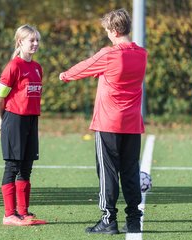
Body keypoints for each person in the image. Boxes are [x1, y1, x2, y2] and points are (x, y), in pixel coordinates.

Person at [59, 9, 147, 234]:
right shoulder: (142, 54)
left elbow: (85, 67)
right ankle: (134, 219)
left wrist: (65, 75)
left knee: (108, 173)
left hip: (108, 123)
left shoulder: (109, 54)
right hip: (132, 123)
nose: (107, 35)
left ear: (115, 30)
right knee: (130, 171)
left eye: (108, 31)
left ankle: (108, 219)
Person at [0, 24, 47, 226]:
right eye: (31, 40)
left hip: (31, 120)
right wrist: (3, 118)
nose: (35, 44)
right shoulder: (13, 67)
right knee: (12, 166)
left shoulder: (37, 67)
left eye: (37, 40)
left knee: (27, 167)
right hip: (14, 120)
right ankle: (9, 214)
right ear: (20, 42)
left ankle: (23, 212)